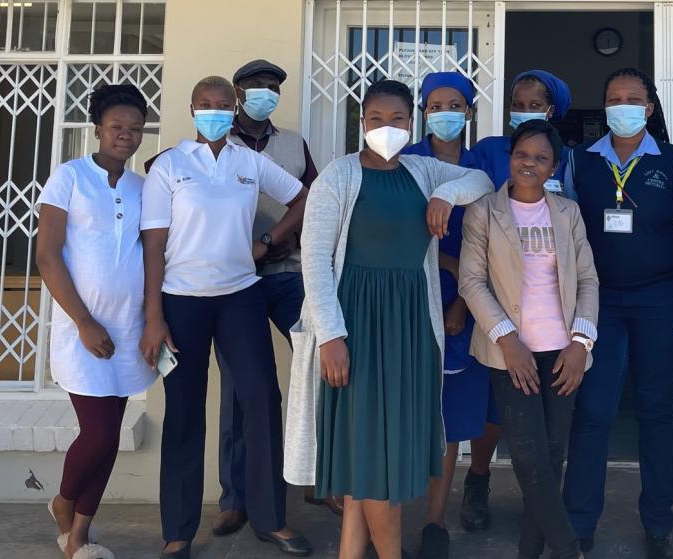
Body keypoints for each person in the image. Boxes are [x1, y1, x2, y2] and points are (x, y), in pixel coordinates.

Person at [297, 79, 494, 559]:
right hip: (355, 329)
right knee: (368, 461)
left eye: (398, 119)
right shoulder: (338, 177)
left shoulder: (423, 170)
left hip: (410, 331)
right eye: (376, 120)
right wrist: (332, 336)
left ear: (413, 124)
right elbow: (315, 260)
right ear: (361, 123)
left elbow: (483, 182)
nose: (386, 128)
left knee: (378, 460)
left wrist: (446, 194)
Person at [139, 75, 312, 558]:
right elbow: (153, 245)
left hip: (240, 296)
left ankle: (270, 519)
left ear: (234, 108)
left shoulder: (250, 162)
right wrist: (154, 317)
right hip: (181, 301)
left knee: (261, 401)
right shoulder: (169, 166)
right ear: (192, 109)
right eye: (204, 104)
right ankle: (178, 531)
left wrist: (268, 242)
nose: (213, 111)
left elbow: (302, 198)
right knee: (184, 413)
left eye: (222, 104)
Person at [561, 68, 673, 559]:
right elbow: (563, 234)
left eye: (633, 98)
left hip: (660, 299)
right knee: (593, 412)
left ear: (649, 107)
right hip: (597, 302)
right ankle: (579, 524)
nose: (623, 105)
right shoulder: (580, 162)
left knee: (658, 411)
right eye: (613, 97)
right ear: (603, 106)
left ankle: (659, 524)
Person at [459, 120, 600, 559]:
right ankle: (567, 548)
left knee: (550, 457)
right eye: (523, 154)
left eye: (541, 158)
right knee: (527, 458)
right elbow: (471, 281)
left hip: (562, 353)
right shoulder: (485, 211)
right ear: (510, 157)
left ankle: (530, 551)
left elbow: (588, 280)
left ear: (553, 165)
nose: (529, 163)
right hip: (511, 354)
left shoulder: (567, 212)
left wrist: (581, 343)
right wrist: (507, 339)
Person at [37, 83, 158, 559]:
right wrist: (84, 322)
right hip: (82, 330)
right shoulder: (69, 177)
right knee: (99, 432)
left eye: (134, 129)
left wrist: (152, 320)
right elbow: (47, 257)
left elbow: (151, 256)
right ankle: (63, 503)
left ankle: (79, 536)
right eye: (116, 127)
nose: (125, 136)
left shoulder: (142, 188)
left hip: (127, 330)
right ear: (97, 130)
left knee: (111, 436)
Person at [214, 59, 331, 539]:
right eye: (255, 87)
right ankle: (236, 498)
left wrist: (281, 238)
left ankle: (318, 479)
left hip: (287, 272)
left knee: (321, 365)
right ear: (237, 92)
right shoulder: (217, 141)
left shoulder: (291, 143)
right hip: (235, 280)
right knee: (241, 388)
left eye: (271, 88)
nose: (264, 93)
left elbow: (316, 197)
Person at [463, 67, 571, 527]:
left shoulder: (568, 159)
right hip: (493, 299)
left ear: (553, 110)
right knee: (493, 408)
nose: (523, 110)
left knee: (547, 422)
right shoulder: (488, 150)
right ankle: (478, 480)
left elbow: (576, 234)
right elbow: (466, 192)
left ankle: (539, 508)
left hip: (552, 315)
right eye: (518, 102)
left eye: (534, 104)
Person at [400, 71, 497, 559]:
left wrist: (462, 298)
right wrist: (451, 266)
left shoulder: (482, 167)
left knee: (452, 420)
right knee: (402, 414)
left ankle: (435, 520)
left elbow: (491, 240)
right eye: (435, 104)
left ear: (469, 112)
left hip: (466, 306)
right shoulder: (406, 162)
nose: (445, 112)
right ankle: (388, 517)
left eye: (454, 104)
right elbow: (399, 235)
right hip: (411, 299)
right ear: (422, 112)